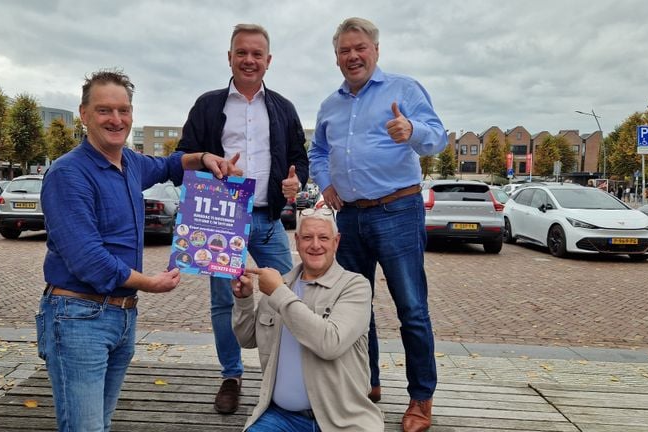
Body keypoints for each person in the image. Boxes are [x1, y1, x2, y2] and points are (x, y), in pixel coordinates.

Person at [37, 69, 240, 432]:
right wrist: (150, 283)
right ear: (83, 115)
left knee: (101, 423)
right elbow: (87, 258)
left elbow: (168, 165)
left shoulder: (129, 163)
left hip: (121, 316)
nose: (116, 120)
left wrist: (206, 157)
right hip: (78, 316)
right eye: (104, 110)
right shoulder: (69, 173)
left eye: (124, 110)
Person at [308, 17, 447, 432]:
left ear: (375, 50)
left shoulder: (403, 90)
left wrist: (412, 129)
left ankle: (421, 398)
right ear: (336, 58)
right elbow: (317, 152)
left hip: (398, 211)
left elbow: (437, 137)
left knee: (412, 309)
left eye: (359, 48)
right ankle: (365, 384)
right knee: (354, 307)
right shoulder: (329, 105)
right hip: (349, 215)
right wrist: (327, 183)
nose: (352, 56)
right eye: (344, 51)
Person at [176, 23, 309, 414]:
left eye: (257, 54)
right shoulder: (207, 105)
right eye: (241, 53)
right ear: (230, 57)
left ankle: (286, 376)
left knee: (289, 293)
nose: (249, 60)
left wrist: (296, 180)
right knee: (223, 301)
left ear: (268, 61)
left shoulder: (283, 108)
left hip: (268, 218)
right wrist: (208, 163)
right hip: (221, 216)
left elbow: (299, 160)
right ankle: (231, 376)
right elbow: (183, 156)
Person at [232, 208, 384, 431]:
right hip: (281, 418)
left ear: (336, 241)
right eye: (307, 237)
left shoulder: (355, 286)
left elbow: (330, 344)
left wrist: (278, 293)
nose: (315, 245)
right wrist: (243, 299)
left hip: (343, 420)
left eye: (323, 237)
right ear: (297, 241)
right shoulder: (281, 284)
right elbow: (246, 340)